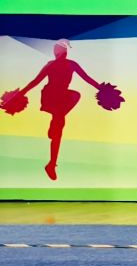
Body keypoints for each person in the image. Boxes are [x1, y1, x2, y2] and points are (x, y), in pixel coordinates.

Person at [2, 39, 120, 181]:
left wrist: (104, 90)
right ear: (59, 51)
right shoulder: (54, 65)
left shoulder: (68, 64)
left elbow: (87, 79)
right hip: (51, 97)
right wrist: (17, 96)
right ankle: (52, 161)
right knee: (60, 123)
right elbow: (35, 82)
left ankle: (52, 163)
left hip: (61, 98)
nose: (62, 52)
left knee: (65, 115)